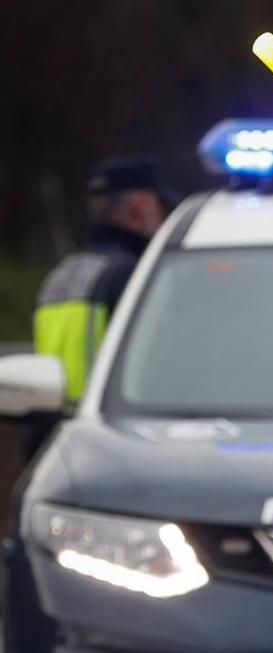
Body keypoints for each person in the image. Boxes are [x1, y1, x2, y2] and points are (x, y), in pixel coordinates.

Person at [24, 156, 173, 458]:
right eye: (161, 207)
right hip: (114, 443)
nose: (164, 217)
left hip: (51, 441)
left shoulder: (64, 272)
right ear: (140, 206)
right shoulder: (134, 277)